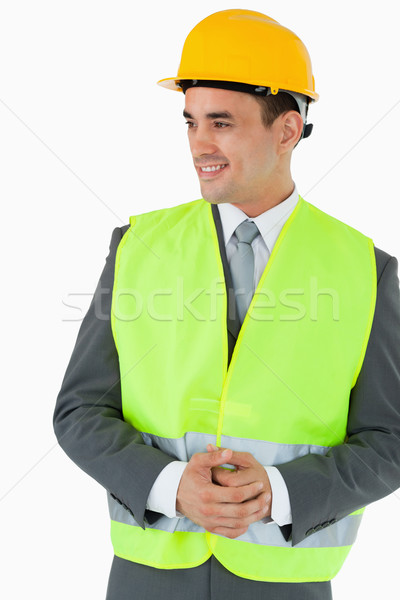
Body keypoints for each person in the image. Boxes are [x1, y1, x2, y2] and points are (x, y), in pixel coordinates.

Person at [53, 8, 400, 600]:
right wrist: (168, 486)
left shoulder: (366, 269)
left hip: (286, 580)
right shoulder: (138, 247)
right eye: (190, 123)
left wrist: (281, 494)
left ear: (287, 130)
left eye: (221, 123)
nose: (199, 145)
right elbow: (79, 413)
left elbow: (389, 437)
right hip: (148, 576)